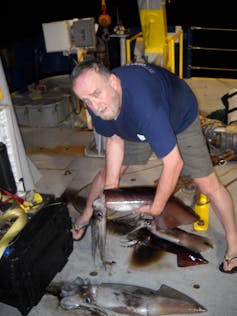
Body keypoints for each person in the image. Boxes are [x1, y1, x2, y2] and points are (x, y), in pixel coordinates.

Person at [71, 60, 237, 273]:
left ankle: (233, 244)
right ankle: (85, 214)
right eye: (86, 100)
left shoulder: (145, 105)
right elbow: (115, 139)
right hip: (135, 124)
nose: (94, 105)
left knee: (207, 184)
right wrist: (111, 187)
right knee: (106, 176)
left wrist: (157, 207)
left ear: (113, 82)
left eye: (96, 94)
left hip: (178, 117)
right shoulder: (99, 104)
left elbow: (174, 163)